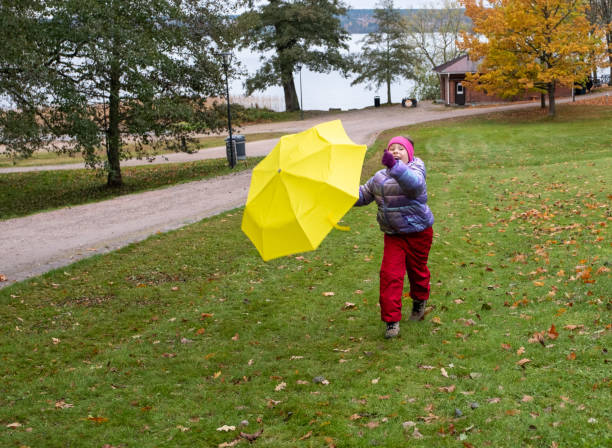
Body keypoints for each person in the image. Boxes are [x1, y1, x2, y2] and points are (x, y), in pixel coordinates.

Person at [355, 136, 434, 339]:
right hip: (394, 235)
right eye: (392, 149)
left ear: (410, 154)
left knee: (417, 271)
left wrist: (396, 167)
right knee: (390, 275)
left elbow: (414, 186)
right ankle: (391, 321)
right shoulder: (379, 177)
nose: (396, 151)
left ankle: (419, 300)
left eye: (401, 149)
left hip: (418, 232)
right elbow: (364, 194)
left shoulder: (417, 170)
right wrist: (341, 194)